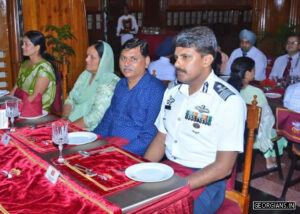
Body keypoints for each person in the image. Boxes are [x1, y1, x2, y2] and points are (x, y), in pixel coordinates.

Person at [144, 26, 246, 213]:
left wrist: (176, 186)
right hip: (170, 171)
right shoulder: (172, 93)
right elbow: (161, 139)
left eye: (186, 57)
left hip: (205, 180)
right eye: (176, 57)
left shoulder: (228, 101)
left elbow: (223, 168)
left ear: (207, 59)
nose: (176, 64)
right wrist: (141, 171)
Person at [93, 38, 166, 156]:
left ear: (147, 62)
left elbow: (149, 136)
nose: (126, 63)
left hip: (133, 152)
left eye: (133, 59)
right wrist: (92, 141)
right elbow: (107, 120)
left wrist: (116, 152)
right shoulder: (121, 85)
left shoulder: (156, 90)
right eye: (123, 58)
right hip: (109, 145)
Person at [228, 57, 287, 169]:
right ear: (247, 73)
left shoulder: (228, 88)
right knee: (279, 130)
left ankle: (269, 159)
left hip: (234, 132)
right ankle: (270, 160)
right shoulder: (256, 92)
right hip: (251, 135)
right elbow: (268, 119)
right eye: (253, 70)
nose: (255, 72)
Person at [62, 41, 119, 131]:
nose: (87, 59)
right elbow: (70, 98)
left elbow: (96, 115)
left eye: (92, 57)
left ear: (103, 60)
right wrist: (64, 119)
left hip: (90, 129)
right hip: (70, 124)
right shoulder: (85, 74)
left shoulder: (110, 81)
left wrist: (70, 127)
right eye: (87, 56)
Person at [10, 30, 56, 111]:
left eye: (26, 44)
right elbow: (15, 87)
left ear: (37, 48)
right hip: (22, 104)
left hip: (37, 110)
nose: (22, 47)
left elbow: (35, 97)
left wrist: (15, 108)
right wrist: (8, 102)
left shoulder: (44, 68)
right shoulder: (25, 63)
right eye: (23, 44)